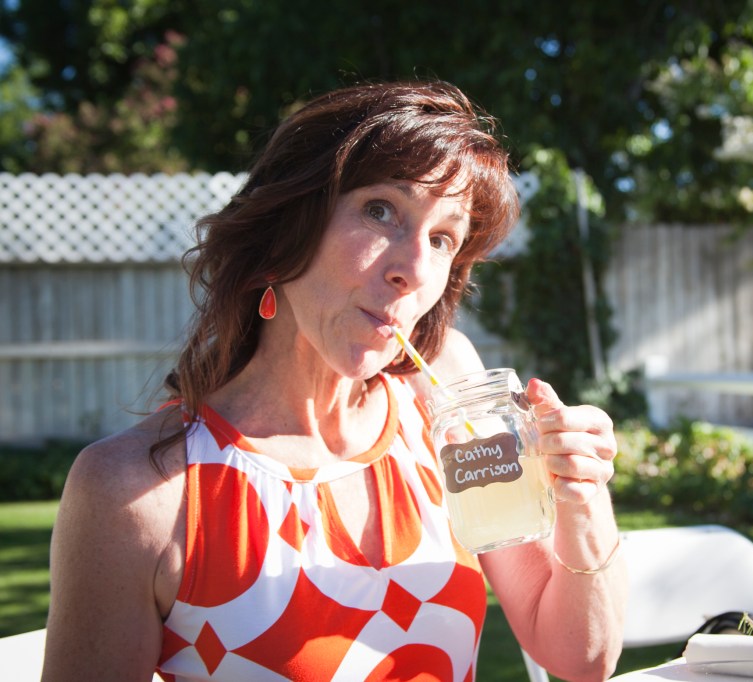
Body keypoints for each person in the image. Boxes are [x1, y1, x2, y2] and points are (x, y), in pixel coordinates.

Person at [43, 80, 627, 682]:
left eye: (442, 237)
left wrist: (581, 500)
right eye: (381, 210)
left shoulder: (445, 391)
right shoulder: (138, 492)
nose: (415, 270)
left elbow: (581, 658)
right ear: (284, 230)